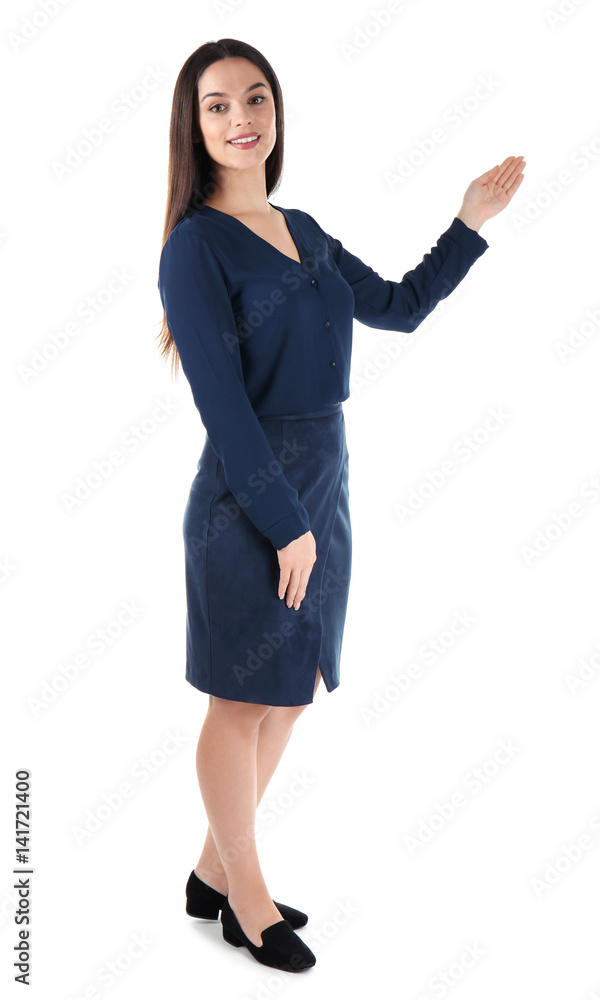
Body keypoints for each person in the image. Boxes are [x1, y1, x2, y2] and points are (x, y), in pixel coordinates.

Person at [157, 37, 525, 974]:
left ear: (276, 113)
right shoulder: (194, 247)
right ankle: (246, 897)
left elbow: (398, 306)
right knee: (240, 703)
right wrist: (286, 526)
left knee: (291, 694)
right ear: (194, 129)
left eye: (254, 99)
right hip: (252, 494)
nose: (241, 119)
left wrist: (468, 223)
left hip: (329, 477)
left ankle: (212, 872)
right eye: (217, 106)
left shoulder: (305, 228)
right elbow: (222, 403)